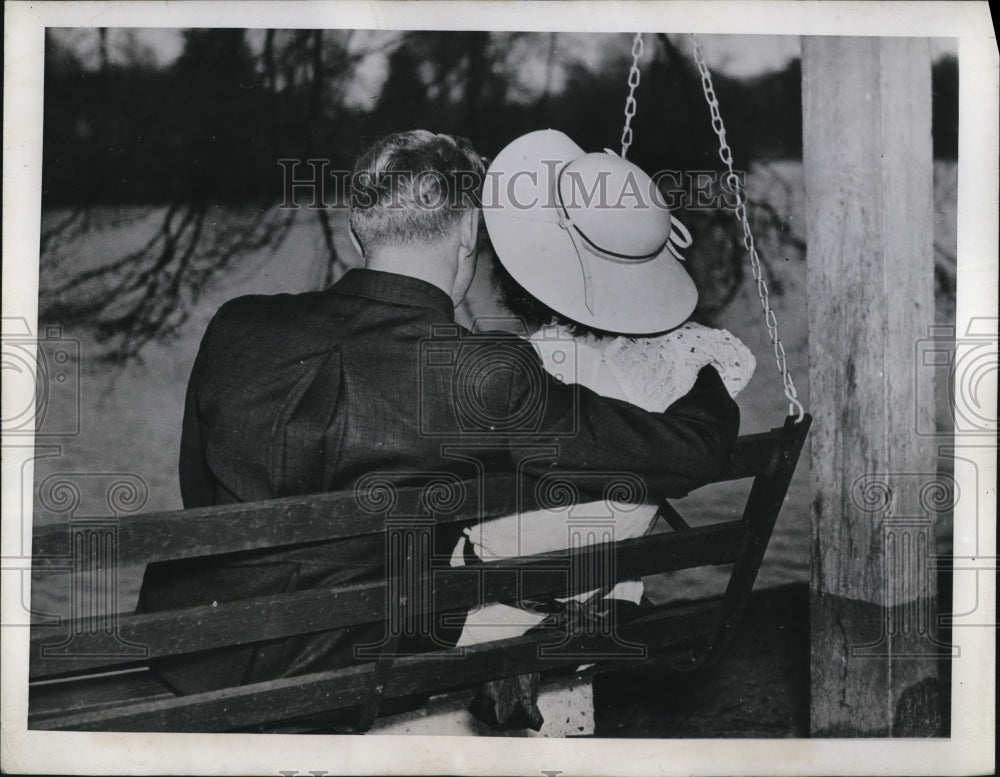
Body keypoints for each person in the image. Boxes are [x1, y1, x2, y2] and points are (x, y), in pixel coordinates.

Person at [135, 129, 740, 719]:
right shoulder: (484, 372)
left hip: (196, 649)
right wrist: (703, 366)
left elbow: (201, 488)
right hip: (354, 669)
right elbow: (693, 452)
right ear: (469, 231)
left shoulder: (236, 325)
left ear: (355, 233)